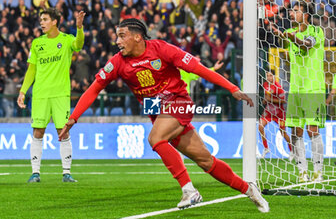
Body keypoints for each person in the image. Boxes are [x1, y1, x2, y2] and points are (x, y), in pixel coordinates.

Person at [59, 18, 269, 212]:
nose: (117, 41)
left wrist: (232, 88)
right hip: (157, 112)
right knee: (206, 161)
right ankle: (248, 189)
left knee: (155, 138)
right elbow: (94, 88)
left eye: (122, 35)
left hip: (179, 103)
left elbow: (198, 69)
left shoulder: (162, 49)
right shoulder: (118, 62)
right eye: (116, 36)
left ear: (137, 37)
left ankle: (189, 190)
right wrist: (73, 117)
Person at [17, 8, 85, 183]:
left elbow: (78, 45)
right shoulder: (36, 43)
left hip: (60, 94)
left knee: (62, 132)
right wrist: (23, 91)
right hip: (40, 94)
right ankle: (35, 173)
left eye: (45, 19)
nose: (42, 22)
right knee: (38, 131)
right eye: (41, 19)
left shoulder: (66, 40)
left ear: (55, 21)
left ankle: (66, 173)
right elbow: (31, 69)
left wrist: (79, 28)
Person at [272, 1, 325, 183]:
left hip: (313, 88)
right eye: (291, 11)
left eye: (296, 11)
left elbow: (306, 45)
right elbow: (292, 60)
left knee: (312, 130)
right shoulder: (290, 35)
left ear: (306, 15)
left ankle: (318, 171)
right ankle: (303, 171)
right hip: (295, 88)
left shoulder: (316, 31)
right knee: (296, 131)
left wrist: (291, 38)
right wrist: (283, 36)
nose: (291, 14)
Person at [259, 70, 293, 159]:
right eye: (267, 76)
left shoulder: (279, 87)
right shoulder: (265, 85)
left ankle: (292, 151)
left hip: (279, 114)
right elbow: (267, 96)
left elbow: (283, 101)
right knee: (260, 127)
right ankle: (266, 148)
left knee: (283, 133)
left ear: (274, 76)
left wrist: (270, 100)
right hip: (269, 112)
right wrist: (265, 100)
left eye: (270, 75)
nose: (269, 78)